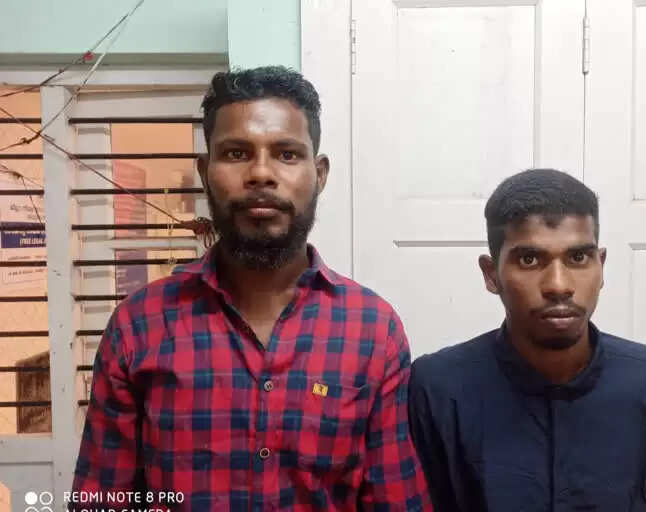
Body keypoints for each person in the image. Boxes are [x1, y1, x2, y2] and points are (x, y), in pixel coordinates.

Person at [72, 67, 431, 512]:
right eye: (236, 153)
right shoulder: (139, 326)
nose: (261, 173)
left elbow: (395, 502)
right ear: (205, 171)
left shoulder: (373, 330)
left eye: (287, 154)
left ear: (319, 174)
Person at [408, 169, 646, 511]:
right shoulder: (438, 389)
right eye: (529, 260)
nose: (559, 285)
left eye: (578, 258)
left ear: (601, 266)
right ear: (491, 274)